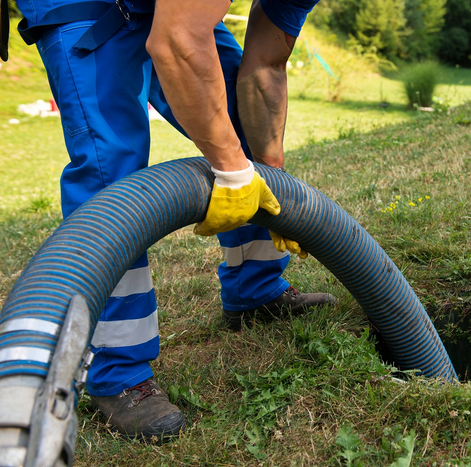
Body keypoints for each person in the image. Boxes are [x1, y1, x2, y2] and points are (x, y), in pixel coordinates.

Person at [13, 0, 335, 441]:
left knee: (242, 125)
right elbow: (177, 41)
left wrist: (270, 175)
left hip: (166, 8)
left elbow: (265, 67)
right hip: (84, 6)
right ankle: (117, 372)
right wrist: (233, 171)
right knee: (113, 179)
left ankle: (256, 291)